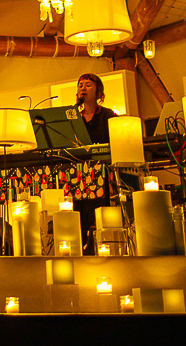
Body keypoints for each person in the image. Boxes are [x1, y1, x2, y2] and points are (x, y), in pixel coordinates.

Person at [73, 72, 118, 254]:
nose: (83, 88)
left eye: (88, 85)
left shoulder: (108, 115)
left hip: (102, 176)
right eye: (80, 85)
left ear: (99, 92)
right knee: (79, 216)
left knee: (98, 215)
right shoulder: (74, 118)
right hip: (79, 176)